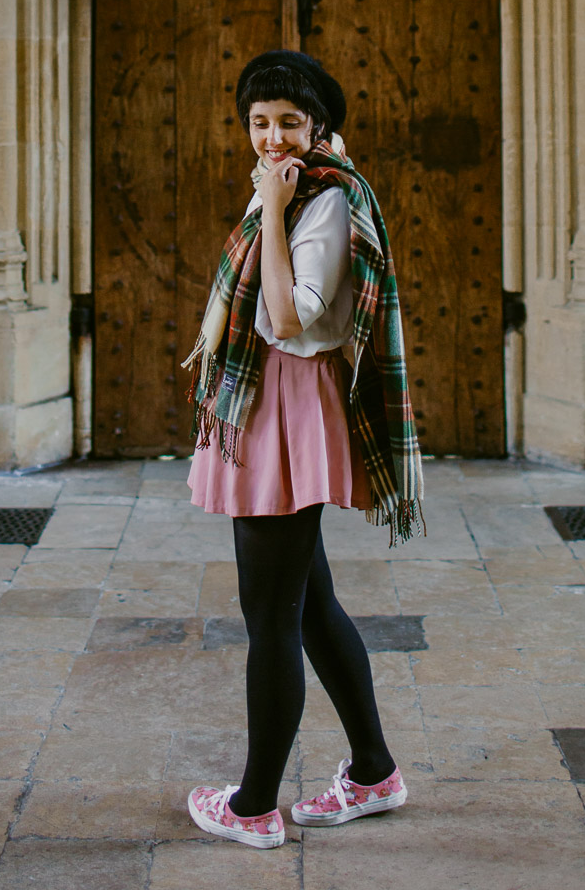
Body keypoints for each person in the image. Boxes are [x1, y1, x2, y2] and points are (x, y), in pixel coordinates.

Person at [182, 50, 425, 849]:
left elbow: (287, 320)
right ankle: (372, 771)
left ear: (319, 125)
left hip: (285, 412)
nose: (271, 137)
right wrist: (273, 201)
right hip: (273, 407)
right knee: (310, 606)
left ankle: (252, 806)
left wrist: (277, 213)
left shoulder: (321, 201)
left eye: (288, 121)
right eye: (258, 122)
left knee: (272, 618)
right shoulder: (297, 186)